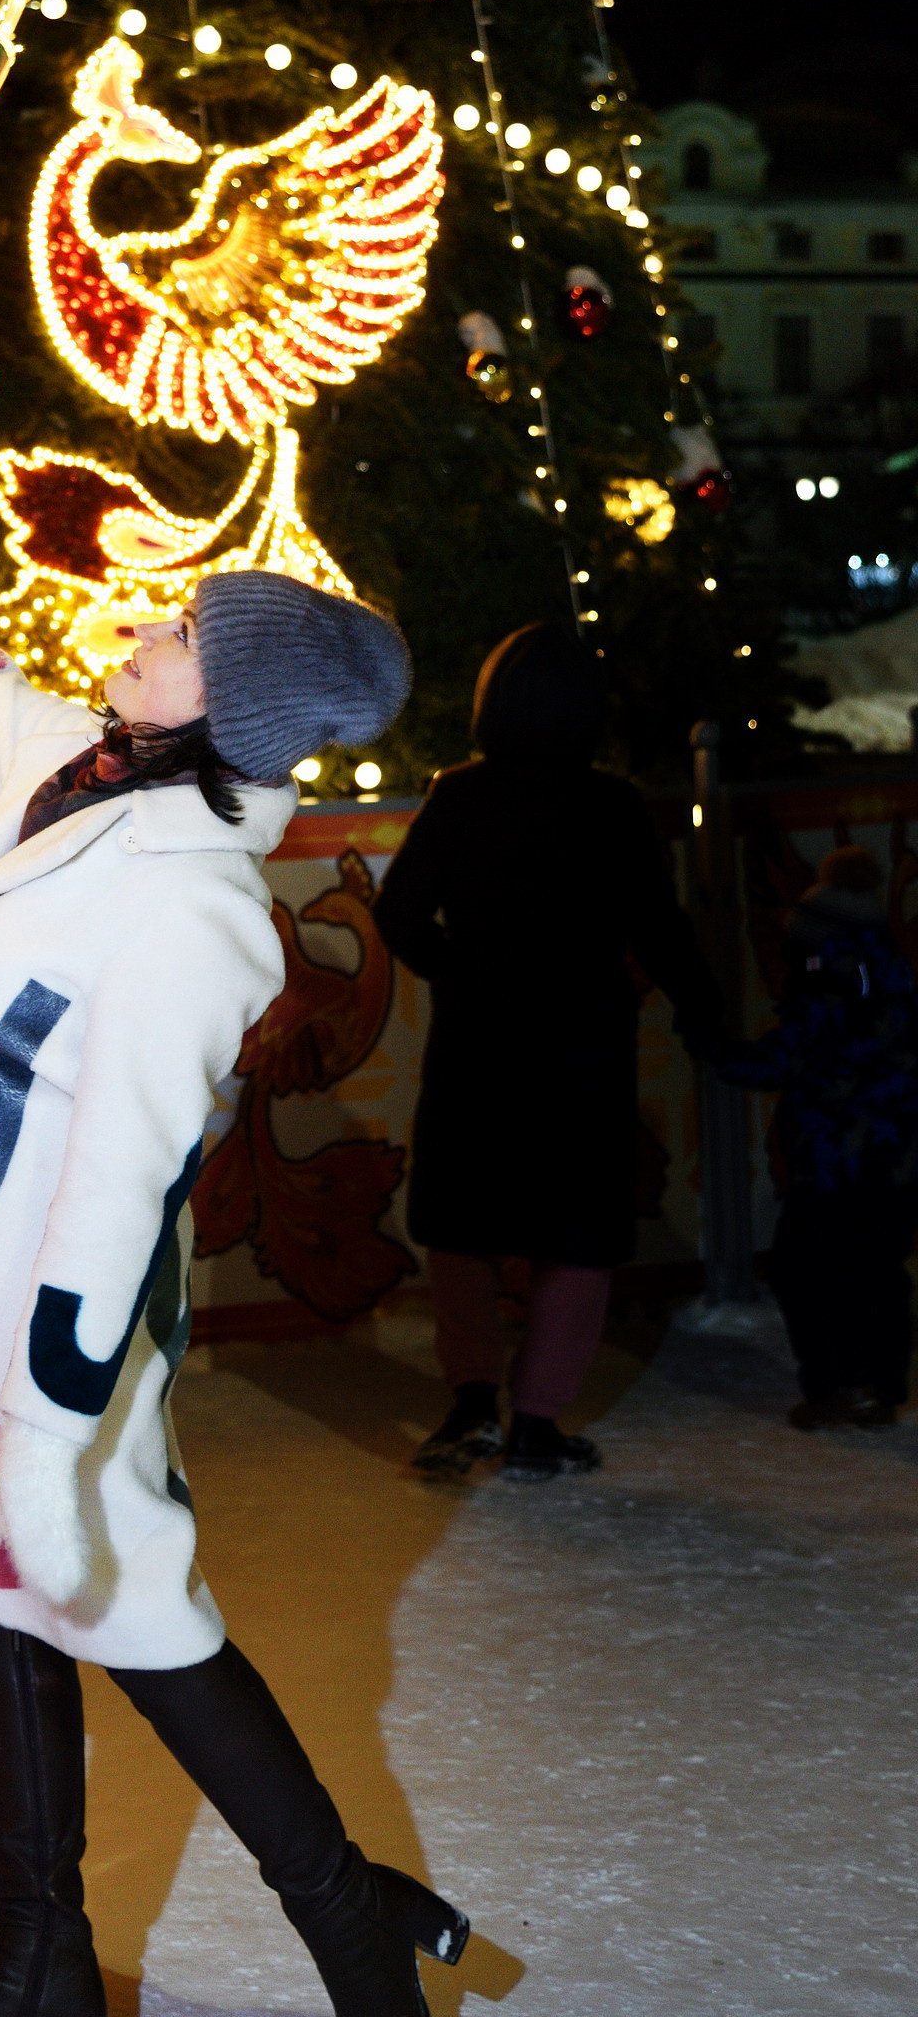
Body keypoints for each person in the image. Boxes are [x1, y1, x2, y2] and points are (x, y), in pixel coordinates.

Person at [0, 409, 468, 2017]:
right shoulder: (79, 770)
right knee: (0, 1607)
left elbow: (125, 1184)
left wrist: (50, 1426)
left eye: (180, 635)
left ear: (231, 710)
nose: (140, 630)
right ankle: (41, 1961)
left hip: (52, 1328)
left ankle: (357, 1929)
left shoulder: (197, 909)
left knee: (135, 1613)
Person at [373, 621, 723, 1483]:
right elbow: (661, 927)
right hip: (582, 1045)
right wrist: (704, 1014)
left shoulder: (458, 796)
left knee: (463, 1224)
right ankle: (536, 1422)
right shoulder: (612, 805)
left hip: (476, 1041)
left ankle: (470, 1404)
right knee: (577, 1234)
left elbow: (398, 914)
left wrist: (457, 970)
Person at [714, 845, 917, 1429]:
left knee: (808, 1273)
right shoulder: (891, 976)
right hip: (893, 1160)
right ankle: (878, 1389)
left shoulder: (832, 984)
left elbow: (785, 1058)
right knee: (876, 1272)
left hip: (833, 1163)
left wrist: (715, 1048)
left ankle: (837, 1386)